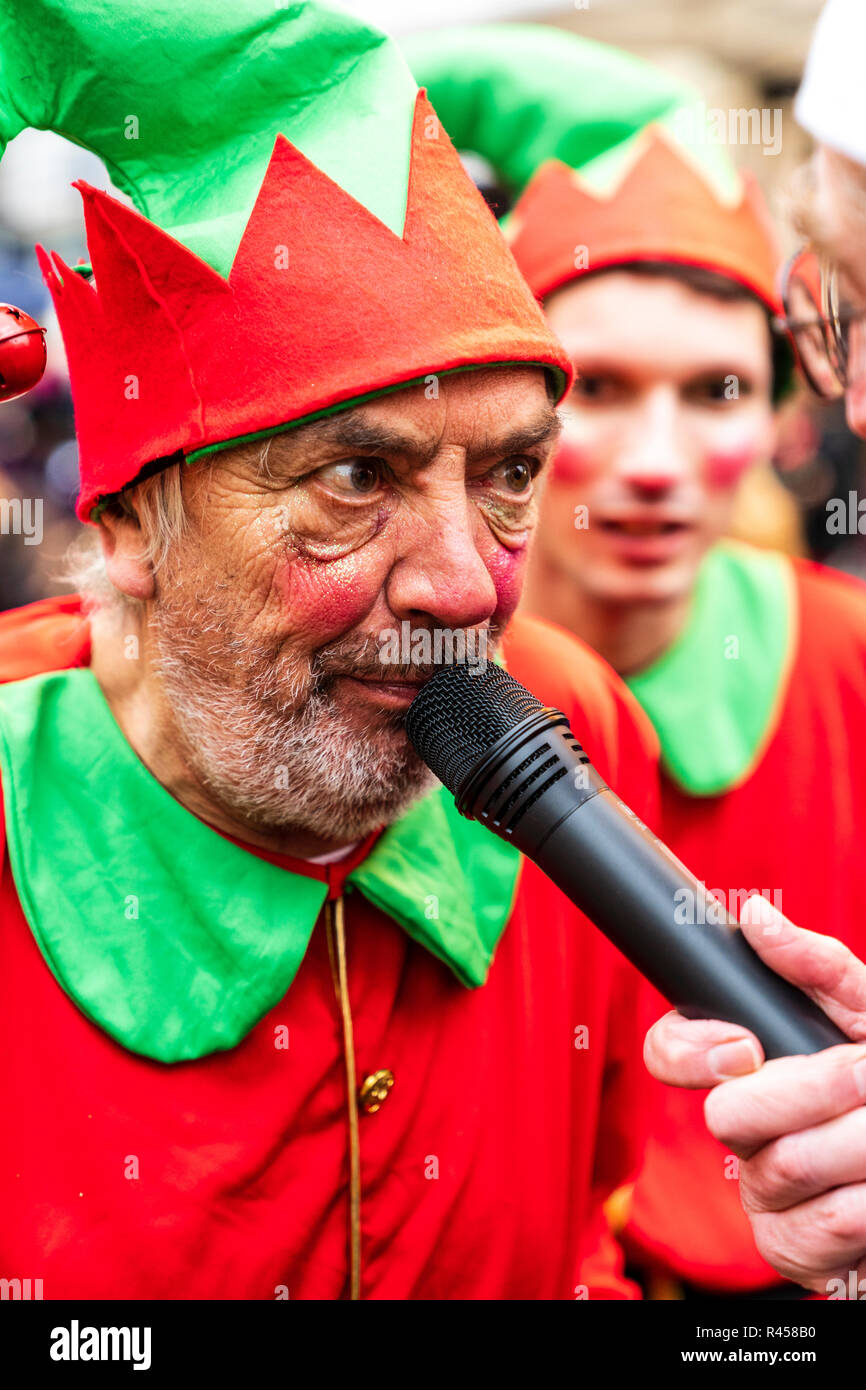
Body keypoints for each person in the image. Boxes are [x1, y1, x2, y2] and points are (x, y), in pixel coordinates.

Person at [0, 0, 668, 1300]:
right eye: (357, 474)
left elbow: (602, 1207)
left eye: (513, 472)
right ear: (133, 518)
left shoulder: (575, 717)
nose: (470, 582)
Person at [410, 23, 866, 1298]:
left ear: (779, 414)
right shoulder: (400, 690)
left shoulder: (847, 664)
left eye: (715, 390)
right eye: (597, 386)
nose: (657, 459)